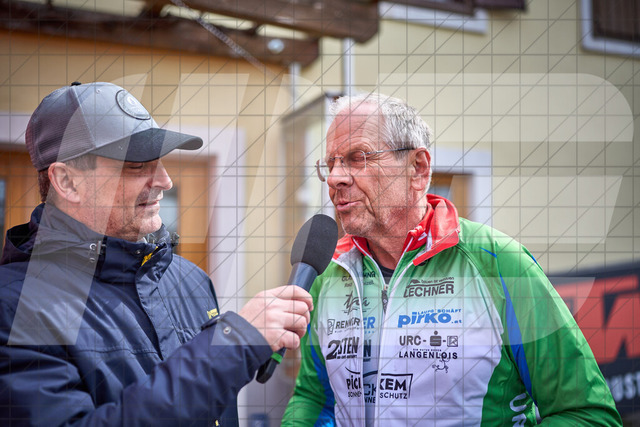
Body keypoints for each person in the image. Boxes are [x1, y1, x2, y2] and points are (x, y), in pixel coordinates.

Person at [283, 93, 621, 426]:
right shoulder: (329, 273)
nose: (335, 178)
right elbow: (315, 399)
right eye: (330, 164)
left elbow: (588, 414)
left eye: (358, 158)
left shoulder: (500, 263)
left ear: (417, 168)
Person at [0, 82, 313, 426]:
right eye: (137, 165)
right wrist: (232, 345)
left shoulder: (189, 279)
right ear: (67, 181)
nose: (165, 181)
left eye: (160, 161)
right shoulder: (16, 306)